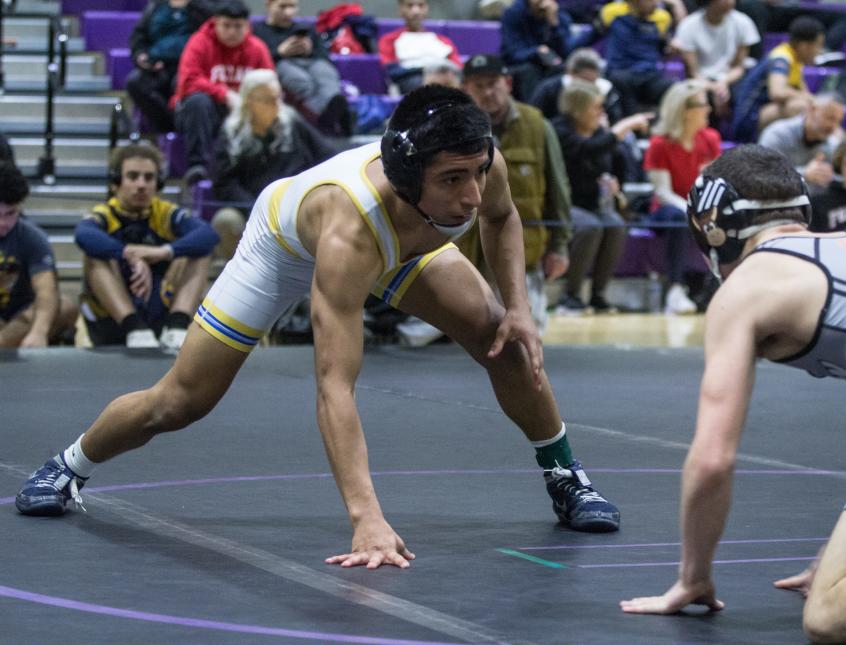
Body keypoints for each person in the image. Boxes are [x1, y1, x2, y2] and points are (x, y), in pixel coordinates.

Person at [15, 87, 621, 567]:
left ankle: (567, 476)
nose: (471, 194)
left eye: (477, 173)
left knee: (503, 339)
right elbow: (335, 385)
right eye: (453, 181)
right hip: (286, 246)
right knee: (182, 400)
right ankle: (69, 466)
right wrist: (366, 517)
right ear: (410, 177)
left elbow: (503, 217)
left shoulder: (474, 165)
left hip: (408, 244)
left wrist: (517, 305)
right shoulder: (348, 226)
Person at [620, 143, 846, 643]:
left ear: (711, 227)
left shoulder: (747, 288)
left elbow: (712, 458)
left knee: (832, 610)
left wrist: (693, 577)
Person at [459, 54, 573, 334]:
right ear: (465, 89)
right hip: (467, 254)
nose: (487, 91)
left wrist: (559, 245)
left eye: (493, 83)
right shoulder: (455, 129)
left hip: (524, 252)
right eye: (478, 85)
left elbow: (558, 188)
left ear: (508, 83)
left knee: (527, 335)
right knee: (471, 338)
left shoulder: (537, 126)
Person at [76, 144, 219, 350]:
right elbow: (83, 235)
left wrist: (163, 252)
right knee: (96, 255)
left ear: (158, 183)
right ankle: (133, 326)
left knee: (200, 251)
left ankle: (177, 326)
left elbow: (208, 235)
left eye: (149, 178)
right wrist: (129, 254)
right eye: (133, 177)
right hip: (112, 323)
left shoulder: (165, 212)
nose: (142, 185)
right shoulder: (105, 213)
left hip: (160, 315)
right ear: (116, 183)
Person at [210, 69, 336, 259]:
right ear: (249, 102)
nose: (277, 105)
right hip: (248, 209)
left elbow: (328, 156)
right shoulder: (231, 132)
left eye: (279, 98)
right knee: (226, 220)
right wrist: (256, 207)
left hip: (294, 205)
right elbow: (223, 183)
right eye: (269, 100)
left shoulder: (292, 121)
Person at [551, 79, 649, 314]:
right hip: (563, 204)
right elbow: (587, 150)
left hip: (593, 202)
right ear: (578, 109)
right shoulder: (560, 130)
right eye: (595, 107)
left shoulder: (598, 131)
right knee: (590, 227)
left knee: (615, 224)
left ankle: (598, 295)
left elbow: (616, 163)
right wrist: (622, 127)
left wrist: (612, 183)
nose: (601, 112)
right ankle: (571, 296)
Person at [171, 0, 274, 185]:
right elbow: (188, 81)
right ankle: (198, 166)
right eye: (226, 26)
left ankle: (263, 170)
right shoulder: (199, 42)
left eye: (238, 26)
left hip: (242, 111)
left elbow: (269, 83)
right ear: (215, 22)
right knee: (197, 102)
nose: (232, 32)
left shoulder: (257, 48)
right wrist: (224, 94)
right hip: (203, 111)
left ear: (247, 25)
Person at [644, 80, 721, 314]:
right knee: (678, 217)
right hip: (666, 210)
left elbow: (714, 182)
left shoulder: (710, 139)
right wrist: (691, 209)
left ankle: (719, 288)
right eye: (702, 104)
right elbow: (663, 193)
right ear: (685, 110)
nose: (708, 109)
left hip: (699, 207)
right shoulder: (659, 144)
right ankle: (675, 291)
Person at [0, 161, 77, 348]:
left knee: (65, 306)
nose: (2, 223)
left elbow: (46, 289)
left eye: (10, 214)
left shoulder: (31, 237)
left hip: (20, 316)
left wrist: (39, 332)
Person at [252, 0, 350, 136]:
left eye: (292, 6)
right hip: (280, 63)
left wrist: (310, 50)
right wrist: (279, 52)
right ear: (269, 5)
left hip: (312, 61)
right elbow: (257, 61)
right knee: (300, 80)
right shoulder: (258, 30)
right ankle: (325, 117)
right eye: (282, 6)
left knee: (327, 74)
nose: (288, 12)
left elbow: (324, 56)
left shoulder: (306, 29)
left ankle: (327, 113)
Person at [125, 0, 215, 133]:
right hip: (157, 66)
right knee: (134, 82)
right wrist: (141, 55)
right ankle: (167, 128)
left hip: (190, 66)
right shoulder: (155, 6)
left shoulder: (205, 7)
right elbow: (138, 36)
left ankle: (181, 127)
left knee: (183, 85)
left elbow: (212, 35)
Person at [731, 15, 823, 143]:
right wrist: (809, 98)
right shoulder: (781, 58)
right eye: (817, 46)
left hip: (764, 114)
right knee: (798, 106)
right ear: (804, 46)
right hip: (748, 120)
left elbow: (805, 94)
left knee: (812, 107)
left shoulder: (796, 62)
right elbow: (777, 92)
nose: (819, 52)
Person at [672, 0, 760, 120]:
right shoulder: (689, 25)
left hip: (732, 77)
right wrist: (714, 88)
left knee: (743, 95)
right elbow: (693, 72)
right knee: (701, 99)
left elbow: (739, 66)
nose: (731, 2)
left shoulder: (742, 22)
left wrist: (723, 83)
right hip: (702, 79)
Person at [757, 92, 845, 195]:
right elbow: (763, 177)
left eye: (838, 122)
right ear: (811, 110)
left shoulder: (833, 145)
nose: (833, 126)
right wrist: (804, 174)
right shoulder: (777, 135)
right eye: (830, 118)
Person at [603, 0, 676, 116]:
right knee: (621, 81)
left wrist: (670, 49)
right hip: (621, 72)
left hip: (648, 75)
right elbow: (591, 35)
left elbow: (662, 49)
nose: (655, 3)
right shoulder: (613, 14)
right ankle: (633, 130)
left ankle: (661, 129)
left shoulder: (661, 18)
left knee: (674, 88)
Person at [500, 0, 582, 101]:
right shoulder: (513, 13)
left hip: (550, 65)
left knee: (568, 70)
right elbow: (513, 53)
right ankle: (534, 111)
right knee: (529, 70)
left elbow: (566, 52)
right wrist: (537, 51)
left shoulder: (560, 16)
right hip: (520, 66)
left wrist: (554, 24)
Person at [377, 0, 463, 94]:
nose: (416, 11)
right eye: (410, 6)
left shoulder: (443, 41)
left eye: (421, 5)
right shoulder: (389, 40)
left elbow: (458, 67)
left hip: (447, 86)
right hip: (410, 88)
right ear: (401, 9)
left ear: (427, 9)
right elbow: (393, 72)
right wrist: (425, 72)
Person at [529, 47, 626, 123]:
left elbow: (615, 122)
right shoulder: (548, 90)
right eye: (583, 80)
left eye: (592, 81)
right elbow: (535, 120)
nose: (587, 86)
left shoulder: (605, 89)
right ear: (569, 73)